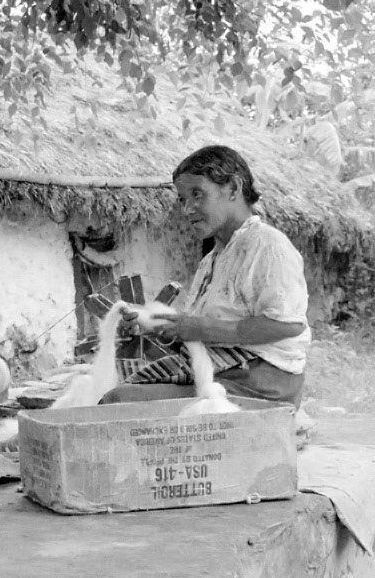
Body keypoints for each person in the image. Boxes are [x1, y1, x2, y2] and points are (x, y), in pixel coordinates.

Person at [100, 144, 311, 406]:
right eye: (182, 199)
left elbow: (288, 324)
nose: (188, 209)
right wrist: (159, 327)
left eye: (197, 194)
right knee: (118, 389)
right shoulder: (212, 260)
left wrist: (198, 328)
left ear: (233, 188)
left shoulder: (267, 245)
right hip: (222, 375)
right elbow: (206, 326)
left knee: (120, 402)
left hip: (260, 385)